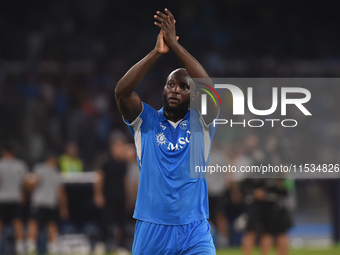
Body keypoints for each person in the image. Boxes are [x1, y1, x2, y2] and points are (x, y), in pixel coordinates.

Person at [115, 8, 218, 254]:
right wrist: (156, 53)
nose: (174, 89)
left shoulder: (201, 122)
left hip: (194, 229)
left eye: (183, 86)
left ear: (193, 96)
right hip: (152, 228)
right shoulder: (146, 120)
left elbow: (209, 90)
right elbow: (121, 92)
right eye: (170, 84)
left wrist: (175, 45)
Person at [93, 132, 129, 255]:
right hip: (108, 196)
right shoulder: (106, 160)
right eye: (119, 146)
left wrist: (128, 196)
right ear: (113, 146)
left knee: (121, 223)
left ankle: (121, 247)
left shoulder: (124, 163)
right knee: (105, 222)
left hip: (121, 196)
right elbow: (100, 179)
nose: (121, 149)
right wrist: (98, 195)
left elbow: (125, 180)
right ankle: (101, 244)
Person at [26, 153, 69, 254]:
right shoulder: (57, 172)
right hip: (51, 203)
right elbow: (61, 193)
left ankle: (31, 247)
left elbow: (35, 182)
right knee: (51, 225)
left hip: (39, 202)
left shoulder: (40, 168)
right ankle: (52, 248)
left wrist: (27, 187)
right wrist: (64, 209)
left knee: (34, 223)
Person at [0, 143, 29, 254]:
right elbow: (25, 183)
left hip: (2, 198)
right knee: (18, 222)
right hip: (16, 198)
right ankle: (20, 248)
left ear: (4, 152)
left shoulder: (0, 164)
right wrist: (24, 195)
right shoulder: (20, 165)